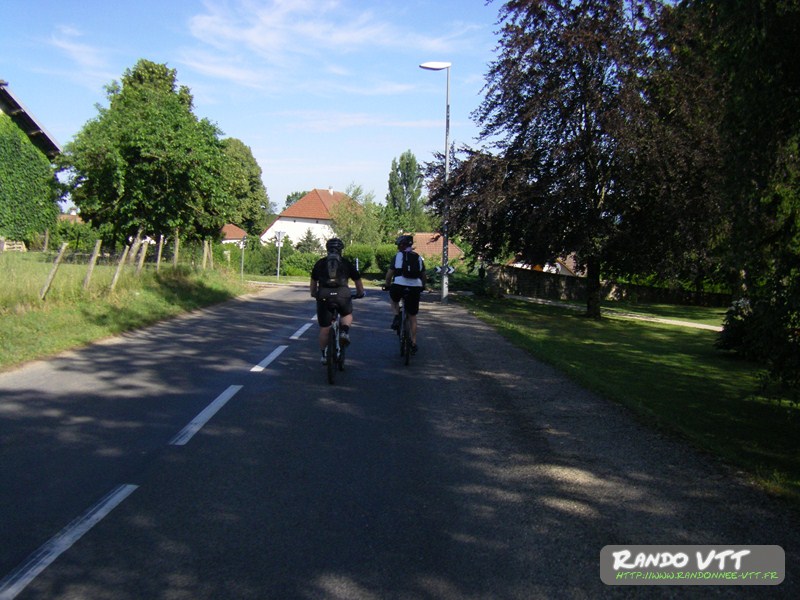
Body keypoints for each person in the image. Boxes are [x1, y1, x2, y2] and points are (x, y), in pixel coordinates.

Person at [310, 238, 365, 363]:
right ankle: (344, 331)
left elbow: (313, 282)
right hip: (342, 295)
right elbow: (357, 280)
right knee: (346, 314)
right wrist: (360, 293)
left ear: (327, 249)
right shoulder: (346, 263)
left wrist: (314, 294)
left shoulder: (320, 263)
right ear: (341, 250)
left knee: (324, 328)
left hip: (324, 295)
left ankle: (324, 355)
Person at [385, 234, 426, 354]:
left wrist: (387, 284)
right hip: (415, 287)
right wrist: (423, 286)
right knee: (412, 316)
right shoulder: (418, 257)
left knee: (393, 300)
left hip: (399, 285)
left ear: (400, 246)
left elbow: (389, 274)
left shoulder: (397, 256)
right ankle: (413, 342)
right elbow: (423, 275)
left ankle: (397, 316)